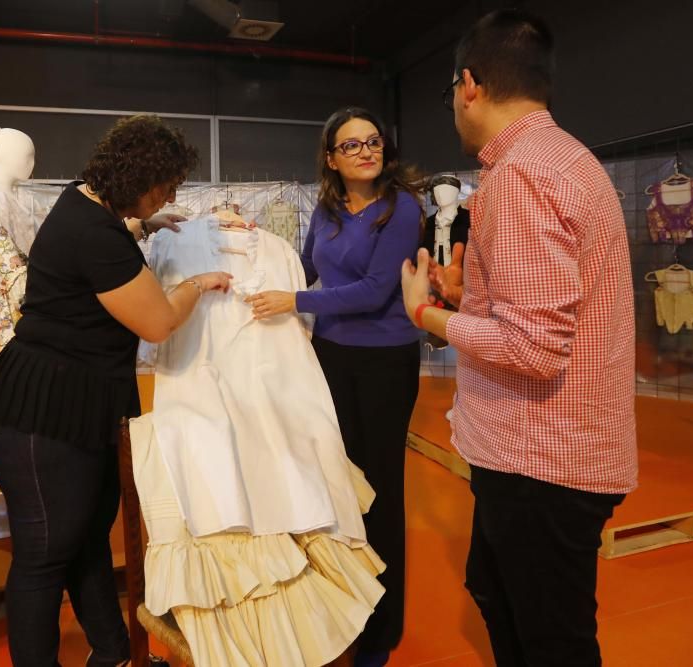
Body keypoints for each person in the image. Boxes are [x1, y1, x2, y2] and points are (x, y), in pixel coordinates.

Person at [400, 9, 637, 666]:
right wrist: (465, 291)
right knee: (497, 590)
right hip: (541, 451)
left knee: (550, 638)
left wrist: (425, 313)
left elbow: (533, 347)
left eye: (450, 89)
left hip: (543, 458)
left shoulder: (520, 177)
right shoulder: (562, 160)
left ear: (468, 84)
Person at [0, 115, 232, 667]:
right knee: (45, 554)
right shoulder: (95, 234)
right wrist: (195, 284)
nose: (169, 196)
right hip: (42, 412)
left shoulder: (86, 206)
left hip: (70, 403)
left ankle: (113, 653)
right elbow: (159, 322)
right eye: (164, 188)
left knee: (87, 538)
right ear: (134, 180)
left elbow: (101, 249)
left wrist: (145, 223)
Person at [247, 107, 424, 667]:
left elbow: (374, 291)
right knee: (335, 483)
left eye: (373, 141)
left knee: (380, 490)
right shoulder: (325, 209)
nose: (366, 150)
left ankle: (381, 627)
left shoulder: (401, 209)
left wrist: (295, 303)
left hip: (383, 362)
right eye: (351, 145)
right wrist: (249, 249)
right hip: (330, 356)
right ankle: (344, 600)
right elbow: (301, 267)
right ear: (331, 158)